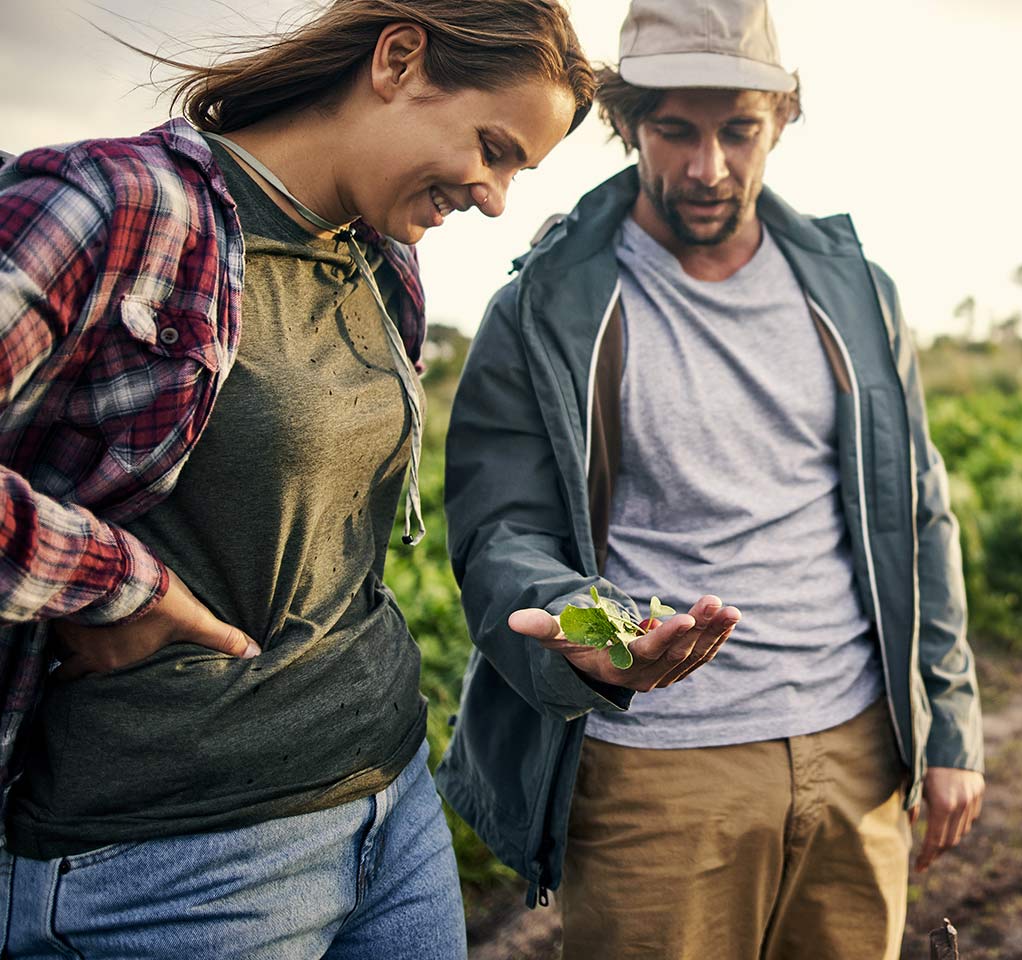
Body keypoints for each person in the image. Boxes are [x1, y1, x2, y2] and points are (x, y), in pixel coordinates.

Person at [0, 2, 633, 956]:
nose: (497, 196)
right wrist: (111, 583)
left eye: (518, 172)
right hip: (164, 868)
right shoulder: (114, 202)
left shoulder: (388, 266)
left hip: (391, 807)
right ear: (399, 59)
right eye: (492, 148)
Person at [434, 0, 987, 956]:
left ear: (782, 120)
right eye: (674, 130)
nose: (708, 167)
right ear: (625, 122)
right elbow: (500, 535)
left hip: (857, 747)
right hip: (653, 775)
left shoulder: (857, 290)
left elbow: (918, 513)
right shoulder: (543, 307)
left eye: (739, 129)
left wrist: (949, 728)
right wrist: (583, 624)